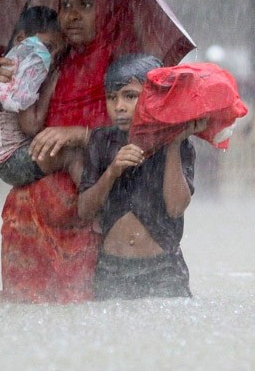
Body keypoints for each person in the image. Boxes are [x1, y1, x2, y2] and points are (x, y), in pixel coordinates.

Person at [0, 0, 141, 303]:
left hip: (88, 218)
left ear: (107, 10)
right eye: (65, 5)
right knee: (27, 328)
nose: (72, 15)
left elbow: (139, 135)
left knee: (83, 322)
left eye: (86, 5)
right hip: (27, 219)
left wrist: (80, 134)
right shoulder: (45, 61)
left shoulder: (121, 66)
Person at [77, 53, 208, 300]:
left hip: (163, 270)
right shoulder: (101, 141)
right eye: (111, 98)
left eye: (130, 96)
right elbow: (84, 211)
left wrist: (173, 143)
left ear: (153, 98)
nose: (119, 107)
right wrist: (113, 171)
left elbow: (176, 207)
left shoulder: (179, 144)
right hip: (111, 269)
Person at [0, 6, 81, 186]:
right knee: (73, 156)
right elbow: (31, 126)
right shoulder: (24, 72)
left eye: (59, 53)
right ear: (21, 39)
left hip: (2, 159)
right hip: (12, 159)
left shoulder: (9, 63)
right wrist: (50, 88)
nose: (53, 57)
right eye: (48, 47)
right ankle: (91, 201)